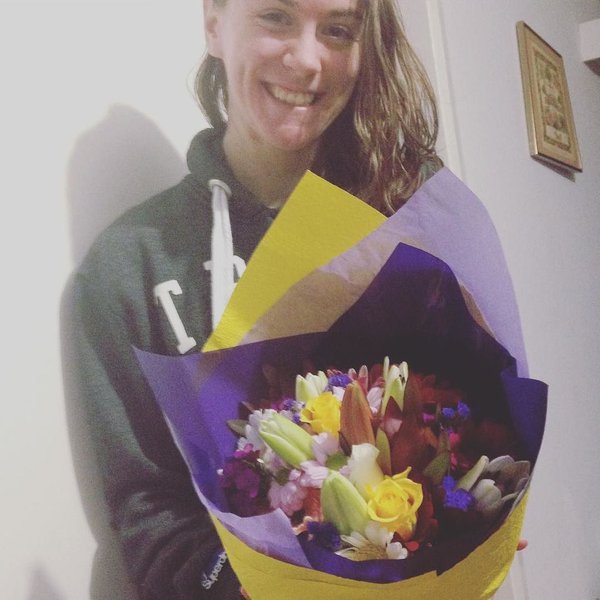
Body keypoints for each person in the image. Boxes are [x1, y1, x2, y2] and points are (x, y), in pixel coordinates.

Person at [72, 1, 444, 598]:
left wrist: (467, 512)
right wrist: (241, 583)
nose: (308, 60)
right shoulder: (129, 266)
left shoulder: (409, 208)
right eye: (275, 16)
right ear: (214, 24)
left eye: (338, 30)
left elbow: (461, 423)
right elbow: (147, 508)